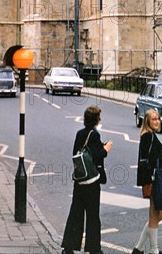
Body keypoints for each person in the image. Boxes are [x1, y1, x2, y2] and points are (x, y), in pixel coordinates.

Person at [61, 105, 113, 254]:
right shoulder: (94, 135)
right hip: (91, 182)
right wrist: (106, 149)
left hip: (79, 180)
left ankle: (68, 247)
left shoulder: (80, 133)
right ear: (97, 120)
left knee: (76, 213)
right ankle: (94, 249)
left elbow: (78, 153)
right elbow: (97, 155)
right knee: (92, 216)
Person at [132, 109, 162, 254]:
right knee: (154, 215)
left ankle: (138, 249)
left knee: (159, 215)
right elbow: (155, 161)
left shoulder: (150, 136)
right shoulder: (147, 136)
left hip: (152, 178)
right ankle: (154, 250)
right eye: (153, 119)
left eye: (158, 118)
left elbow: (154, 155)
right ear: (147, 121)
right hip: (152, 179)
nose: (157, 121)